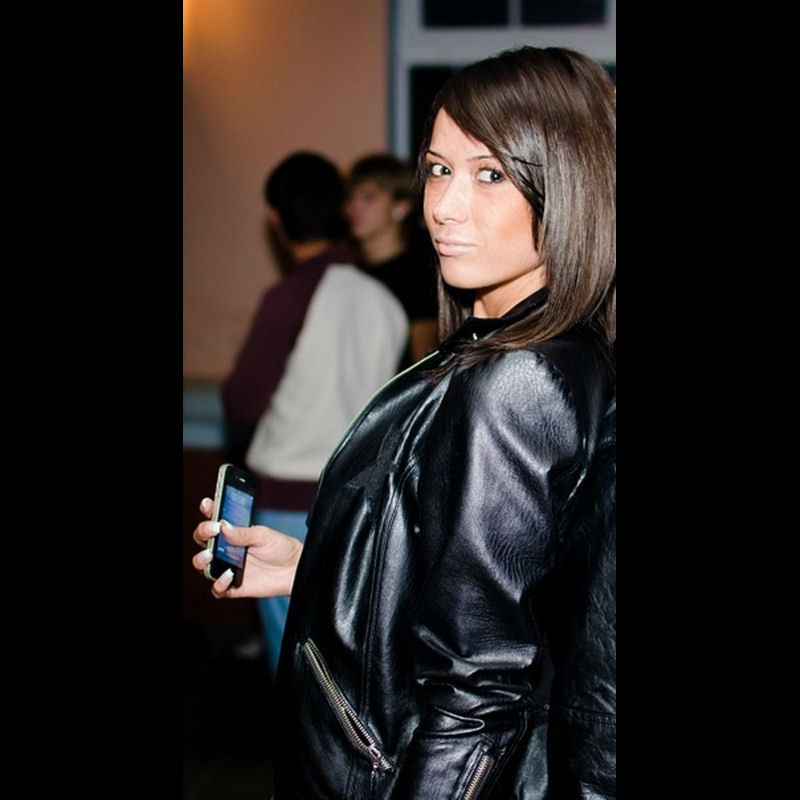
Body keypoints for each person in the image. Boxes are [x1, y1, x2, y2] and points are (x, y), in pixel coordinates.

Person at [194, 45, 616, 798]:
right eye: (438, 169)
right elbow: (503, 593)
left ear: (567, 185)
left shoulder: (518, 379)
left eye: (490, 174)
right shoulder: (533, 349)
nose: (444, 205)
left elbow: (476, 700)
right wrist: (314, 569)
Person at [219, 151, 408, 679]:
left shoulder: (289, 297)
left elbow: (241, 400)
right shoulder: (384, 301)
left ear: (275, 219)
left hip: (285, 500)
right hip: (356, 501)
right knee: (344, 664)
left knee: (294, 667)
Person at [344, 153, 439, 366]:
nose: (354, 207)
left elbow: (420, 364)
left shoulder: (418, 276)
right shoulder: (349, 273)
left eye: (368, 197)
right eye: (351, 197)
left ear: (401, 207)